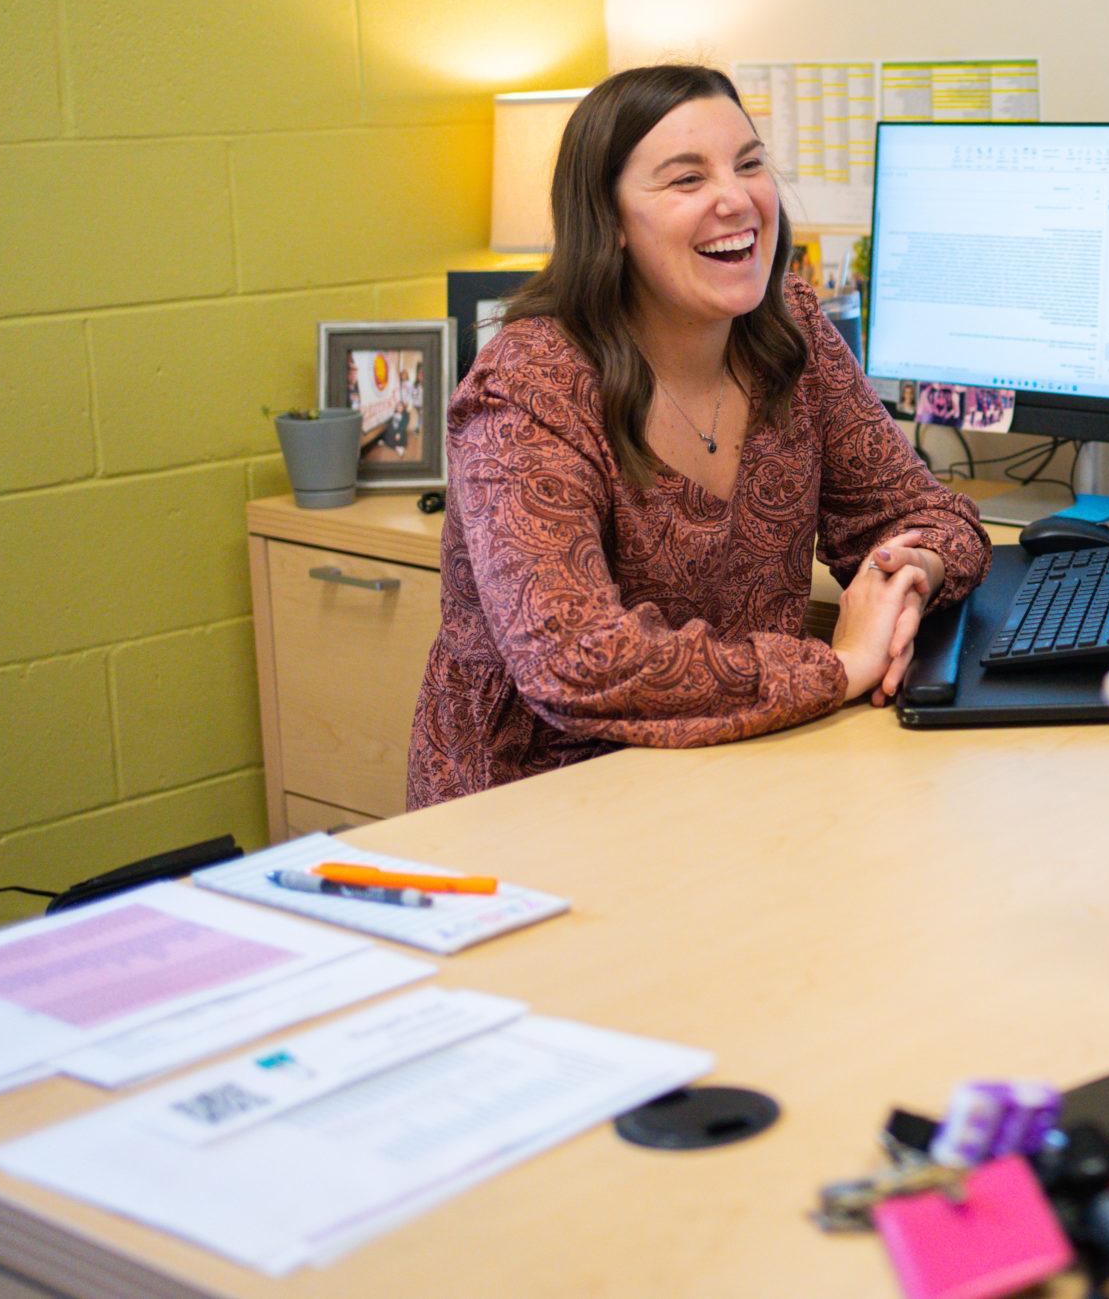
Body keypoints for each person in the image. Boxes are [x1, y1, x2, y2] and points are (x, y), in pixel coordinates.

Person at [408, 64, 989, 807]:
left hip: (736, 771)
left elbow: (932, 516)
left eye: (749, 164)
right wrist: (841, 666)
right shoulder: (528, 388)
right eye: (686, 180)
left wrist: (904, 578)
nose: (735, 197)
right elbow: (577, 660)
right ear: (610, 221)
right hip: (535, 808)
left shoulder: (789, 332)